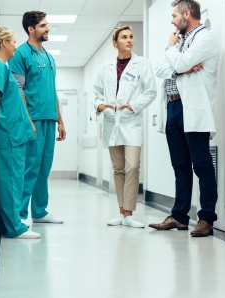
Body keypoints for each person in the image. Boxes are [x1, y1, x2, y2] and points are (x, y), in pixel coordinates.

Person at [148, 0, 220, 237]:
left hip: (193, 109)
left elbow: (179, 61)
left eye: (174, 15)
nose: (171, 20)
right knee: (180, 165)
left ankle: (206, 219)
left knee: (201, 164)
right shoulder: (181, 41)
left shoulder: (204, 38)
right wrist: (180, 66)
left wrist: (173, 54)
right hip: (173, 108)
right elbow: (160, 69)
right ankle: (179, 217)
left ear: (187, 14)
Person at [93, 26, 157, 228]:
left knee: (132, 166)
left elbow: (151, 91)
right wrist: (100, 106)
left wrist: (134, 105)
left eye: (131, 36)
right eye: (124, 37)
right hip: (112, 123)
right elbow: (97, 93)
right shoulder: (106, 68)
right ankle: (121, 213)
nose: (129, 40)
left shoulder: (143, 64)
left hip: (132, 122)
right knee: (118, 169)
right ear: (115, 43)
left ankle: (129, 213)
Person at [8, 10, 65, 226]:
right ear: (31, 29)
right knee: (30, 167)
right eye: (43, 25)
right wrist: (28, 121)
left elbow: (53, 90)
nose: (47, 28)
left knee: (44, 167)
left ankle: (40, 211)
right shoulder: (21, 54)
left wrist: (60, 120)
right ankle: (20, 215)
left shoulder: (49, 57)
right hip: (32, 120)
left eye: (47, 24)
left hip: (49, 119)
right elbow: (18, 91)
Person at [0, 26, 40, 239]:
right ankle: (15, 227)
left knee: (5, 182)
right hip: (8, 133)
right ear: (4, 43)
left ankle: (7, 227)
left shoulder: (1, 67)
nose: (16, 45)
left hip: (9, 133)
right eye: (14, 41)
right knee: (11, 181)